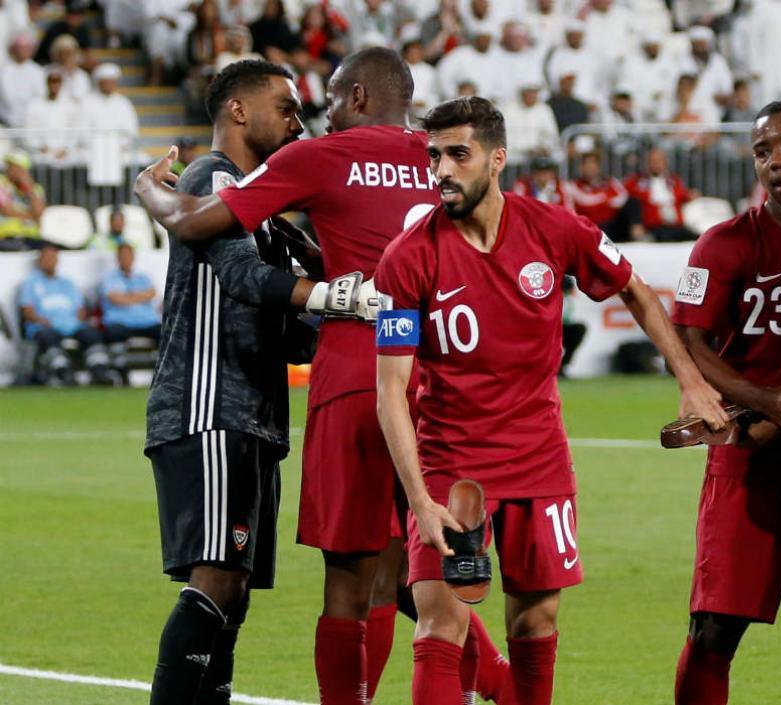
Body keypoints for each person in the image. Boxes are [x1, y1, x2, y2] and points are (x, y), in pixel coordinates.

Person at [133, 48, 508, 705]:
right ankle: (510, 689)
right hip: (436, 375)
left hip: (351, 376)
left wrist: (147, 190)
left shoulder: (319, 161)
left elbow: (205, 230)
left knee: (346, 580)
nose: (308, 122)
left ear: (357, 97)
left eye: (321, 104)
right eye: (291, 109)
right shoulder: (452, 158)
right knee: (407, 575)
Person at [372, 95, 727, 705]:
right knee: (440, 625)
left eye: (459, 154)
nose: (442, 170)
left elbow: (636, 291)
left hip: (539, 466)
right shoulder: (408, 258)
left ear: (497, 158)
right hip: (451, 468)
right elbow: (389, 392)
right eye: (434, 157)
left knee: (535, 625)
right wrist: (420, 502)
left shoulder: (553, 229)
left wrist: (690, 378)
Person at [137, 58, 372, 705]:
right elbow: (242, 278)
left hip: (252, 415)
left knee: (231, 594)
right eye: (286, 106)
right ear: (238, 111)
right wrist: (337, 297)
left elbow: (283, 322)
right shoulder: (211, 178)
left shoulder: (259, 204)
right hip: (211, 405)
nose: (298, 120)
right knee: (215, 581)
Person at [669, 100, 781, 705]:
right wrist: (761, 399)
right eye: (764, 151)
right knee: (714, 628)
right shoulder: (723, 245)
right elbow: (686, 343)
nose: (777, 161)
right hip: (748, 459)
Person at [18, 244, 113, 385]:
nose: (49, 261)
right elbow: (26, 310)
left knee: (91, 334)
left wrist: (76, 320)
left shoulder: (67, 283)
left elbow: (80, 309)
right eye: (46, 257)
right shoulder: (30, 283)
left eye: (52, 257)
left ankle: (99, 371)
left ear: (57, 260)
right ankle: (63, 372)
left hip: (71, 325)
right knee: (48, 337)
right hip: (45, 326)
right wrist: (41, 320)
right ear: (40, 260)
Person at [563, 151, 644, 242]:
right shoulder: (573, 186)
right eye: (586, 163)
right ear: (581, 167)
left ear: (598, 167)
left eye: (593, 163)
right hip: (588, 228)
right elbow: (583, 203)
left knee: (633, 202)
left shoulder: (611, 183)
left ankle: (638, 235)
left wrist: (604, 201)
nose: (589, 167)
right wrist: (605, 200)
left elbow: (622, 199)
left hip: (611, 226)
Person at [624, 148, 695, 242]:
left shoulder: (674, 181)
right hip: (654, 227)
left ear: (665, 163)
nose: (655, 164)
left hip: (677, 226)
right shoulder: (635, 182)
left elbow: (684, 196)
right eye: (652, 161)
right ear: (646, 163)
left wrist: (691, 196)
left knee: (699, 240)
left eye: (659, 161)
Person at [100, 242, 162, 345]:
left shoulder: (144, 277)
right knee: (112, 333)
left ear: (133, 257)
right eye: (123, 255)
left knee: (168, 333)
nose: (126, 258)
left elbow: (152, 293)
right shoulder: (108, 277)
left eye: (128, 255)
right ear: (117, 258)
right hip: (120, 323)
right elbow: (114, 299)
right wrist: (141, 296)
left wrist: (126, 297)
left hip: (147, 322)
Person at [0, 151, 45, 249]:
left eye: (15, 166)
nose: (10, 169)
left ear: (24, 170)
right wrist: (31, 216)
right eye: (9, 165)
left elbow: (39, 214)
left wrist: (29, 189)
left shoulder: (35, 189)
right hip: (5, 236)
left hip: (31, 237)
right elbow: (6, 211)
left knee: (49, 252)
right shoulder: (1, 183)